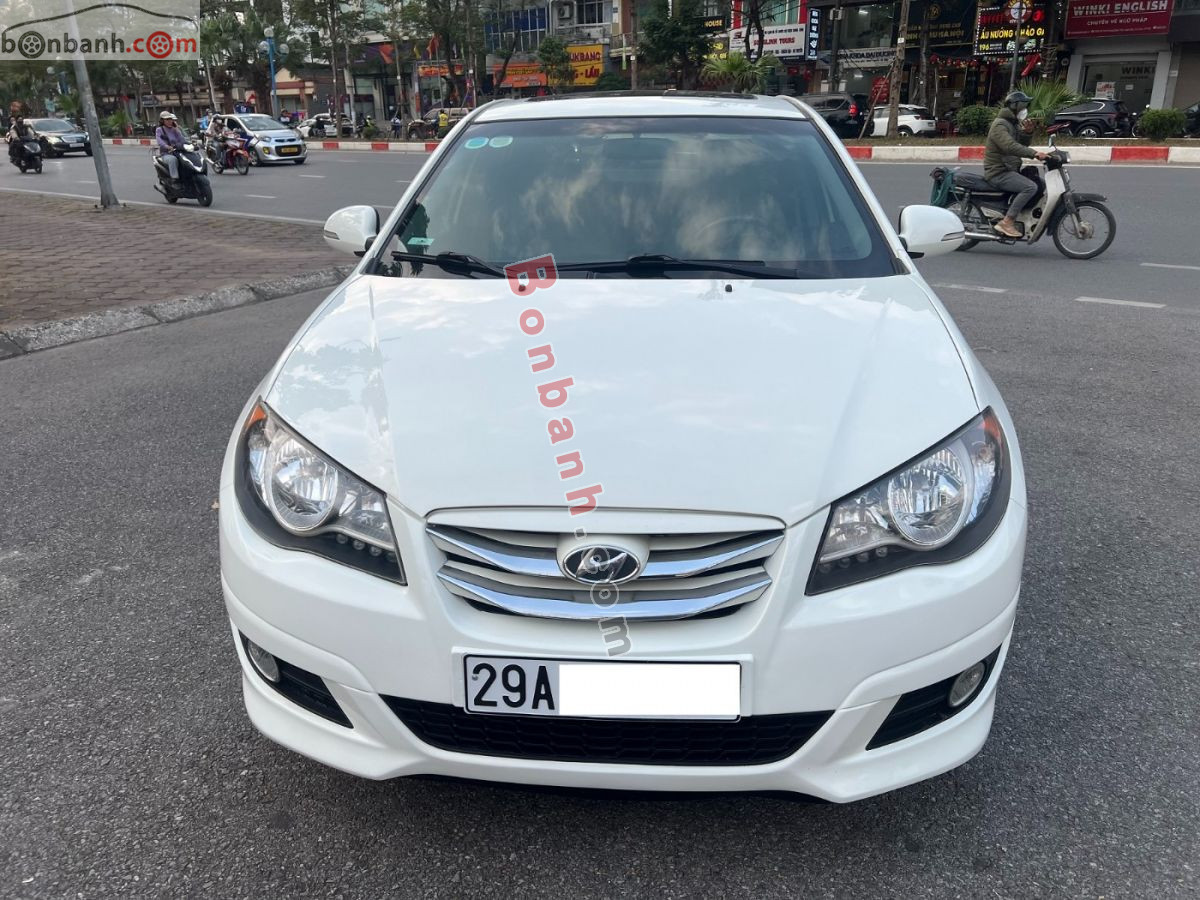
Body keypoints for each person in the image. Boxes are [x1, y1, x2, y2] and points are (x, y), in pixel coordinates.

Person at [984, 90, 1048, 238]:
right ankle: (1007, 222)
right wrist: (1034, 153)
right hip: (999, 172)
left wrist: (1027, 133)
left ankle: (1019, 214)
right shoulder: (1000, 125)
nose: (1025, 110)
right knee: (1030, 187)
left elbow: (1020, 144)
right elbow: (1010, 146)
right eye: (1022, 106)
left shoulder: (1011, 124)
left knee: (1041, 184)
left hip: (1009, 169)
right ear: (1014, 106)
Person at [155, 110, 187, 182]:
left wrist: (177, 129)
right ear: (162, 121)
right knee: (172, 159)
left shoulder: (174, 129)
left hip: (178, 151)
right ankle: (174, 178)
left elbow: (182, 140)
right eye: (167, 119)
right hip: (166, 153)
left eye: (170, 119)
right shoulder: (159, 130)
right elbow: (159, 141)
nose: (170, 121)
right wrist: (167, 146)